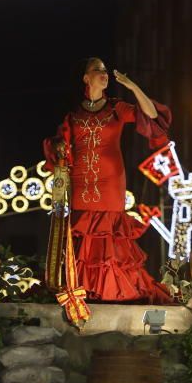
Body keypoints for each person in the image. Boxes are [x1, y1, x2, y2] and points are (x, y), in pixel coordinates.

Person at [42, 57, 172, 304]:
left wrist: (133, 87)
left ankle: (112, 291)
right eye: (97, 71)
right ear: (86, 78)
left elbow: (152, 114)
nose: (104, 75)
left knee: (109, 235)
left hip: (111, 180)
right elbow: (59, 144)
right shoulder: (74, 114)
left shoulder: (116, 108)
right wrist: (59, 148)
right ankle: (80, 288)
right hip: (81, 182)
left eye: (105, 72)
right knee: (83, 236)